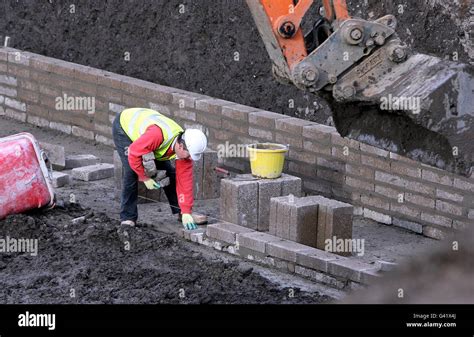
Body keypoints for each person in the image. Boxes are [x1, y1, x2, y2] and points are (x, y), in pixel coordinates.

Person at [112, 107, 207, 230]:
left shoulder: (182, 146)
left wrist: (187, 211)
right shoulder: (157, 135)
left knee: (170, 173)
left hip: (149, 137)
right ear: (181, 146)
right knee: (131, 171)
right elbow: (134, 152)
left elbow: (185, 182)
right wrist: (144, 178)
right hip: (124, 127)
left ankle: (182, 213)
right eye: (189, 154)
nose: (190, 158)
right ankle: (127, 217)